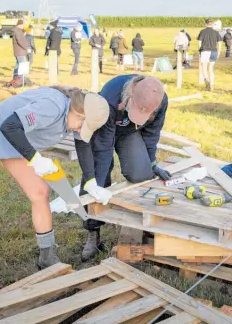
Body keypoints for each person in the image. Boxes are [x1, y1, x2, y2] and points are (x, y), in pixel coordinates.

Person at [0, 86, 110, 274]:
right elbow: (9, 126)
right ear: (78, 113)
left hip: (16, 142)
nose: (79, 130)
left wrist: (90, 182)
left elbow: (82, 146)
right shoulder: (51, 107)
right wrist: (36, 160)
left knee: (40, 193)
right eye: (81, 125)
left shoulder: (74, 115)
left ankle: (47, 257)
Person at [70, 75, 170, 260]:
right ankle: (93, 232)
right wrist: (96, 185)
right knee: (98, 177)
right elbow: (104, 149)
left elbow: (151, 133)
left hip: (129, 132)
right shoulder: (110, 98)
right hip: (104, 127)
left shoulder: (160, 100)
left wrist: (152, 163)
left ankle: (126, 218)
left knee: (141, 173)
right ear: (129, 96)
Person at [197, 18, 222, 91]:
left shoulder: (202, 32)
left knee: (204, 68)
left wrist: (200, 51)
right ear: (212, 24)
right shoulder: (216, 32)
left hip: (205, 51)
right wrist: (219, 53)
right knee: (211, 69)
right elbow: (219, 44)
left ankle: (207, 81)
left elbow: (199, 43)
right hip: (214, 51)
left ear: (205, 24)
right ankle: (212, 84)